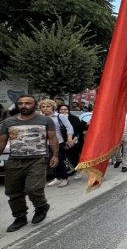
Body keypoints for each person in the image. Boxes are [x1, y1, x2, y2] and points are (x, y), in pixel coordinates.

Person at [0, 95, 58, 232]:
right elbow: (2, 141)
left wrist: (55, 155)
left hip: (37, 159)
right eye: (20, 103)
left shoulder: (45, 120)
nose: (24, 106)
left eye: (27, 103)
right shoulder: (8, 122)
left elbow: (53, 138)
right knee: (13, 192)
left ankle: (41, 206)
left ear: (35, 105)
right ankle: (20, 217)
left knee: (33, 189)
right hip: (14, 160)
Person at [40, 99, 75, 188]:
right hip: (44, 142)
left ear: (53, 107)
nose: (45, 108)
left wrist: (69, 139)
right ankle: (56, 178)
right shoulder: (40, 117)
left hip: (58, 141)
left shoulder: (60, 116)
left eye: (48, 106)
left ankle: (64, 178)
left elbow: (69, 128)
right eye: (43, 107)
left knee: (58, 160)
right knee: (49, 160)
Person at [58, 104, 83, 179]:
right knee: (68, 157)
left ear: (68, 110)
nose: (63, 111)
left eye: (65, 109)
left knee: (74, 156)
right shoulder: (57, 118)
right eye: (61, 110)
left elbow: (78, 129)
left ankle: (79, 170)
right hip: (62, 141)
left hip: (74, 140)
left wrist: (71, 139)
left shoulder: (74, 118)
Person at [113, 108, 127, 173]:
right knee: (115, 150)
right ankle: (118, 160)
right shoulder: (117, 112)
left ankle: (124, 166)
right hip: (118, 135)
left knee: (126, 151)